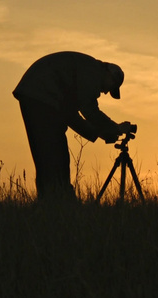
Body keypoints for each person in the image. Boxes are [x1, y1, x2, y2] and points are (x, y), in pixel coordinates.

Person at [13, 51, 132, 202]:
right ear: (108, 74)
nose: (106, 92)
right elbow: (89, 109)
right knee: (52, 154)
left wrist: (103, 133)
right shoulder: (92, 71)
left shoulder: (81, 74)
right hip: (41, 97)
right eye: (111, 86)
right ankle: (60, 202)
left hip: (38, 97)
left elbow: (70, 116)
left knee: (49, 156)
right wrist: (114, 128)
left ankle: (52, 203)